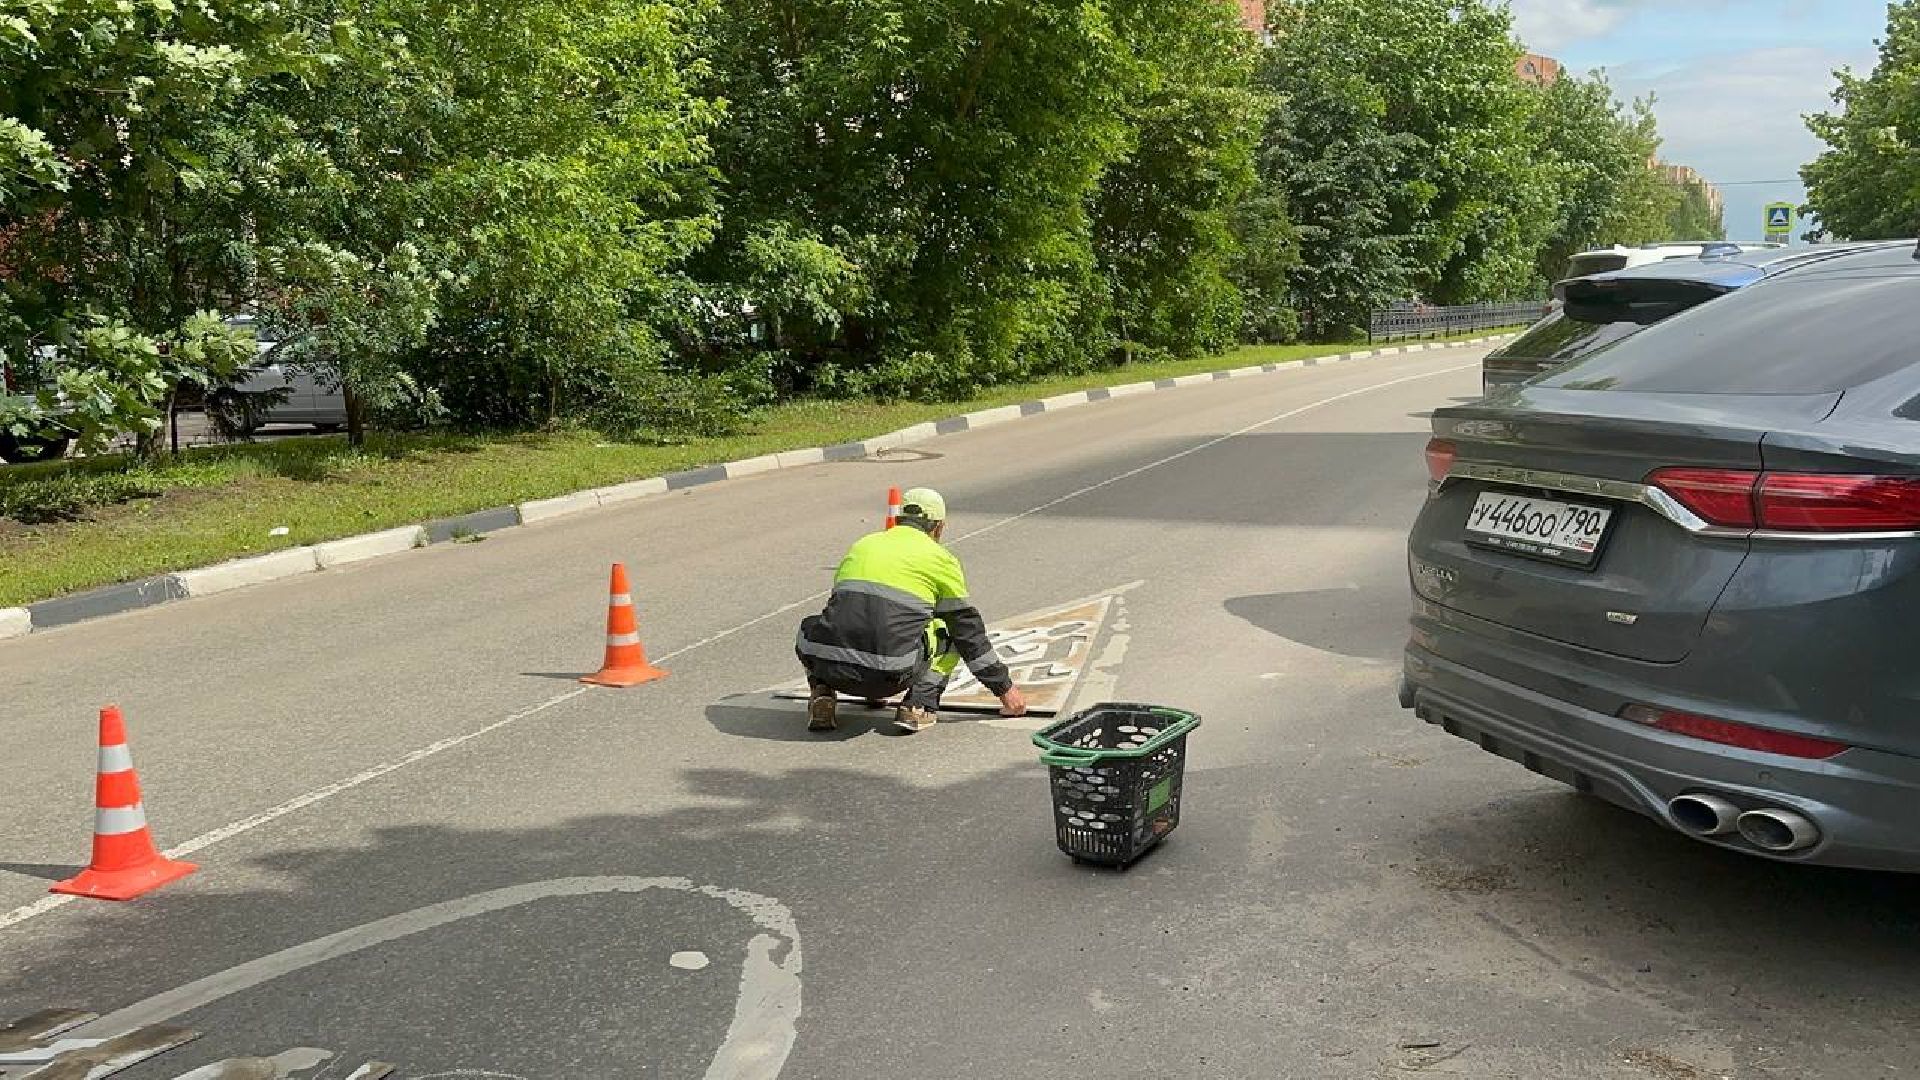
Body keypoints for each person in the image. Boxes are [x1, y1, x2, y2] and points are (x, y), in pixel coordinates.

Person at [796, 487, 1027, 734]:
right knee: (948, 635)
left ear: (898, 519)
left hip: (833, 668)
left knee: (811, 626)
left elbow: (851, 615)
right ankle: (918, 706)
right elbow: (967, 633)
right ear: (939, 527)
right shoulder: (941, 559)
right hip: (890, 675)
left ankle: (822, 693)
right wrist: (1005, 689)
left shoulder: (863, 545)